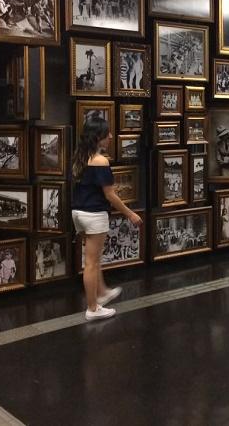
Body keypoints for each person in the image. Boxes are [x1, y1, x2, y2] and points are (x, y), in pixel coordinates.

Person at [71, 116, 142, 321]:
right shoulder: (101, 161)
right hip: (94, 215)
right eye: (106, 133)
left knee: (93, 258)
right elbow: (110, 195)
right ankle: (92, 308)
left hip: (79, 213)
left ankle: (101, 292)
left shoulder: (80, 158)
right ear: (98, 137)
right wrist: (130, 214)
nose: (111, 136)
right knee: (91, 262)